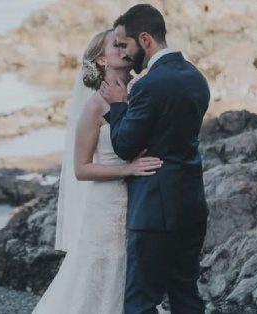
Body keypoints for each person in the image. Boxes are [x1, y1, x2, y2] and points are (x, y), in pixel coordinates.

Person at [32, 29, 163, 314]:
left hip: (140, 200)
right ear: (102, 61)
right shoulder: (93, 107)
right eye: (116, 45)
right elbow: (81, 169)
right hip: (106, 205)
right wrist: (128, 168)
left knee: (132, 276)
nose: (125, 47)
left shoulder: (141, 93)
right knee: (98, 279)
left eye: (125, 43)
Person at [100, 4, 210, 314]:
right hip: (191, 205)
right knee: (186, 294)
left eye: (125, 44)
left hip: (154, 209)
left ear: (145, 40)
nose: (123, 51)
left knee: (140, 302)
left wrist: (118, 105)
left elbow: (124, 146)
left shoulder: (148, 86)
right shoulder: (196, 77)